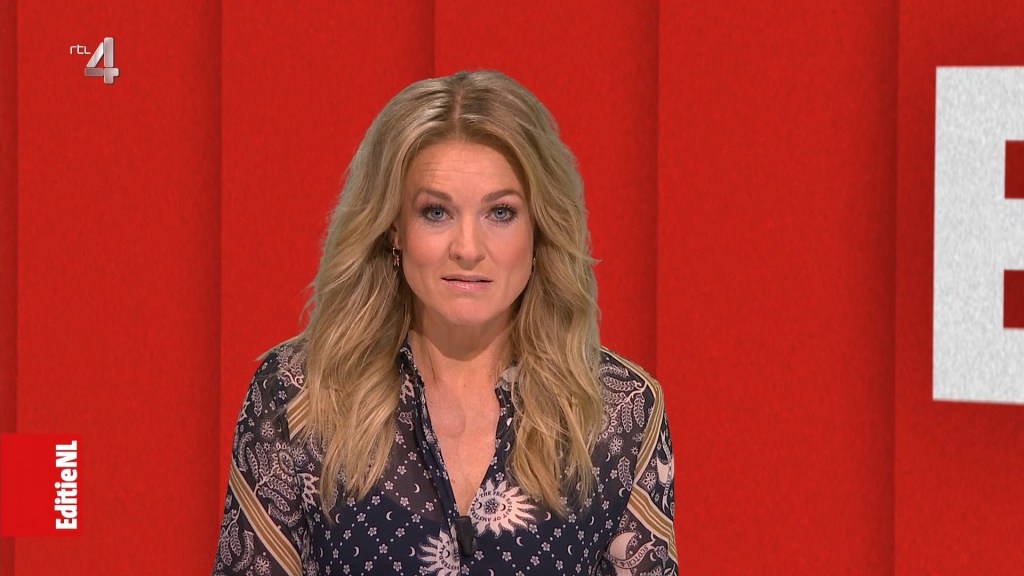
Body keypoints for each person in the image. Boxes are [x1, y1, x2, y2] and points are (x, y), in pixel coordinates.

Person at [212, 70, 676, 576]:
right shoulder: (298, 394)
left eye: (500, 213)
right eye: (436, 212)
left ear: (540, 229)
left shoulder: (617, 411)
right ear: (394, 228)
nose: (468, 248)